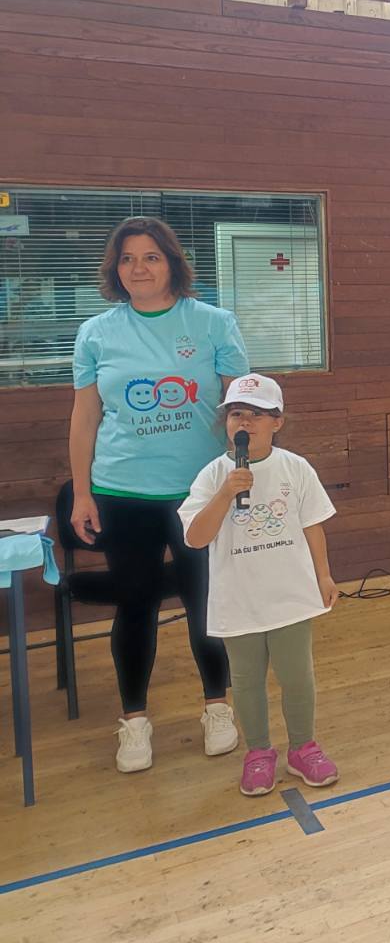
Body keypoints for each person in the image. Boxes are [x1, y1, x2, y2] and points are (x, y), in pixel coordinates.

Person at [69, 216, 249, 774]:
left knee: (206, 604)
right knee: (136, 604)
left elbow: (239, 409)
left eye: (150, 256)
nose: (138, 268)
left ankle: (217, 707)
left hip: (201, 493)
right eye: (127, 258)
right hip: (122, 492)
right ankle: (134, 721)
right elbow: (84, 417)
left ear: (172, 263)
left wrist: (244, 475)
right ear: (114, 268)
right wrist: (82, 494)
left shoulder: (214, 323)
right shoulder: (96, 332)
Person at [179, 375, 340, 796]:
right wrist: (225, 494)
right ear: (226, 423)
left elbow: (313, 525)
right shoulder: (213, 475)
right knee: (247, 681)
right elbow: (196, 537)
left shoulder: (295, 468)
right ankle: (258, 752)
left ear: (277, 422)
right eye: (237, 414)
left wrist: (323, 575)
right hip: (239, 599)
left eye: (256, 414)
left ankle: (303, 747)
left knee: (297, 676)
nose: (245, 423)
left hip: (290, 595)